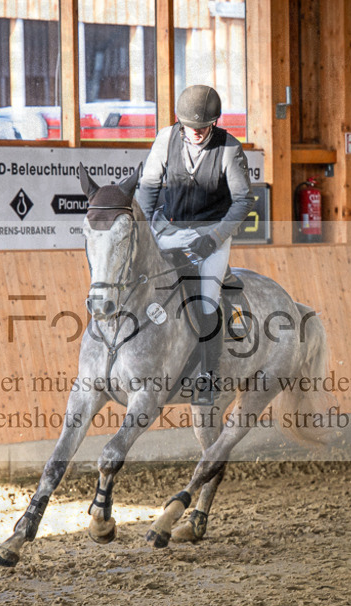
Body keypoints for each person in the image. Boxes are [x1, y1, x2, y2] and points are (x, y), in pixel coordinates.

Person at [135, 85, 254, 406]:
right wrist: (144, 229)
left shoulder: (229, 148)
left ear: (214, 123)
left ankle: (209, 376)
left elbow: (243, 202)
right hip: (168, 227)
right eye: (192, 127)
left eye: (204, 127)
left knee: (206, 300)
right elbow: (147, 189)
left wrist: (214, 238)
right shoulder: (165, 139)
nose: (198, 133)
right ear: (180, 121)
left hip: (212, 233)